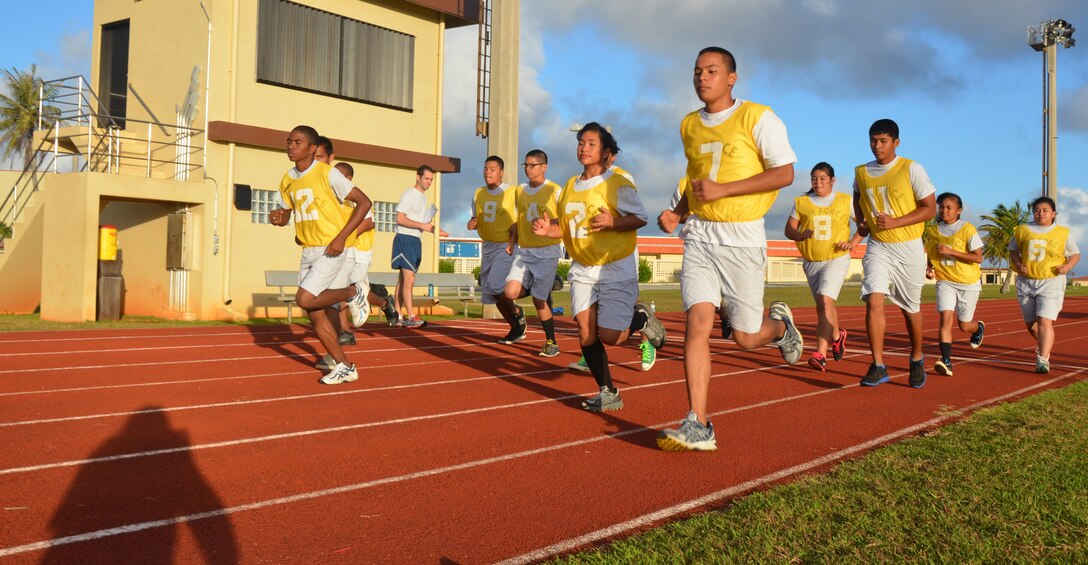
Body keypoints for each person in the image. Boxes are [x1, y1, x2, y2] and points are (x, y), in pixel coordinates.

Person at [656, 47, 801, 451]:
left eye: (712, 71)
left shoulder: (758, 117)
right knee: (698, 323)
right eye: (698, 71)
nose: (703, 77)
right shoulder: (688, 125)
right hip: (701, 235)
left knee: (745, 337)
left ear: (732, 77)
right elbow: (697, 176)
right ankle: (698, 423)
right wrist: (679, 212)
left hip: (742, 235)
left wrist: (726, 190)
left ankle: (782, 328)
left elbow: (785, 172)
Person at [531, 122, 665, 412]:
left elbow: (641, 217)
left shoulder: (617, 183)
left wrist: (613, 222)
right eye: (581, 142)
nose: (584, 147)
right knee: (585, 332)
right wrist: (547, 229)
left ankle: (641, 319)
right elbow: (566, 229)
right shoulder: (569, 185)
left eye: (591, 143)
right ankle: (608, 392)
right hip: (582, 268)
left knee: (611, 337)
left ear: (606, 152)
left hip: (614, 267)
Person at [268, 125, 372, 385]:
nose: (291, 145)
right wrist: (279, 218)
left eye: (298, 142)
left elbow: (365, 203)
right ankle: (345, 367)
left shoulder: (327, 174)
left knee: (304, 298)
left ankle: (353, 292)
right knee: (315, 314)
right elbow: (287, 213)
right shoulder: (287, 179)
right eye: (289, 141)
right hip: (308, 249)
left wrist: (341, 237)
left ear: (313, 148)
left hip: (332, 246)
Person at [851, 118, 937, 388]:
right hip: (878, 245)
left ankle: (917, 358)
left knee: (910, 309)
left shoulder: (911, 169)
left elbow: (929, 208)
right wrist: (862, 219)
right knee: (874, 299)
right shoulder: (861, 172)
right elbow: (857, 195)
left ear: (896, 142)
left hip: (908, 246)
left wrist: (896, 222)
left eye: (883, 141)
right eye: (873, 141)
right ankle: (878, 365)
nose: (877, 146)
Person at [312, 139, 399, 353]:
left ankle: (382, 303)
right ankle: (346, 331)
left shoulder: (354, 196)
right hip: (343, 251)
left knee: (347, 289)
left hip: (358, 252)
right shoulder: (332, 197)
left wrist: (344, 237)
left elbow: (368, 222)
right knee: (338, 289)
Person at [784, 162, 864, 371]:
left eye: (822, 179)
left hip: (836, 258)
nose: (818, 182)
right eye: (814, 179)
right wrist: (800, 235)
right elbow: (788, 229)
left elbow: (864, 225)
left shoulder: (845, 201)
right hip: (811, 262)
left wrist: (853, 243)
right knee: (824, 305)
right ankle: (837, 336)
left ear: (832, 181)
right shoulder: (802, 203)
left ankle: (820, 353)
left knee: (824, 301)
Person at [1008, 196, 1080, 373]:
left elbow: (1075, 253)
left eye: (1045, 210)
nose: (1040, 213)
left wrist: (1068, 266)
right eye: (1037, 210)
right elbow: (1013, 250)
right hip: (1027, 282)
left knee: (1044, 321)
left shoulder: (1062, 232)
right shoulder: (1022, 230)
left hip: (1051, 281)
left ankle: (1043, 360)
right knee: (1030, 324)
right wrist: (1018, 265)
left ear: (1053, 213)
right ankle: (1044, 344)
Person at [504, 149, 563, 357]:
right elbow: (518, 220)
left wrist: (547, 224)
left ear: (543, 167)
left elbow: (565, 220)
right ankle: (545, 284)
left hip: (547, 251)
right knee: (510, 292)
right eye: (525, 165)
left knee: (539, 301)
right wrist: (512, 241)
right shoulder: (520, 190)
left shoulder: (555, 190)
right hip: (524, 250)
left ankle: (551, 342)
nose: (528, 169)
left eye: (532, 165)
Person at [924, 192, 985, 377]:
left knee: (964, 325)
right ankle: (947, 361)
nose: (944, 210)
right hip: (945, 281)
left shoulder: (967, 229)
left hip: (968, 281)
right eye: (941, 206)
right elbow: (932, 253)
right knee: (945, 319)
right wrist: (929, 268)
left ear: (959, 210)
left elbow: (978, 257)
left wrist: (952, 251)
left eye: (949, 207)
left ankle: (978, 328)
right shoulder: (932, 230)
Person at [467, 156, 527, 344]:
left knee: (495, 285)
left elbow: (518, 221)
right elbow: (476, 219)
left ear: (501, 172)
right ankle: (516, 327)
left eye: (492, 169)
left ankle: (517, 313)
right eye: (486, 168)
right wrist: (472, 224)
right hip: (487, 246)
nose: (488, 172)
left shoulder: (512, 192)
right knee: (491, 292)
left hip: (506, 245)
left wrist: (512, 242)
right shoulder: (478, 193)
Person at [392, 165, 437, 328]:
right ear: (418, 177)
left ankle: (397, 314)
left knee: (404, 279)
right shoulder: (410, 194)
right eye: (426, 178)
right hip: (405, 239)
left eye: (431, 179)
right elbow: (400, 218)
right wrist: (422, 225)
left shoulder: (422, 198)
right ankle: (411, 315)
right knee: (409, 279)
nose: (429, 182)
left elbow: (419, 222)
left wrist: (433, 229)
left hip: (415, 240)